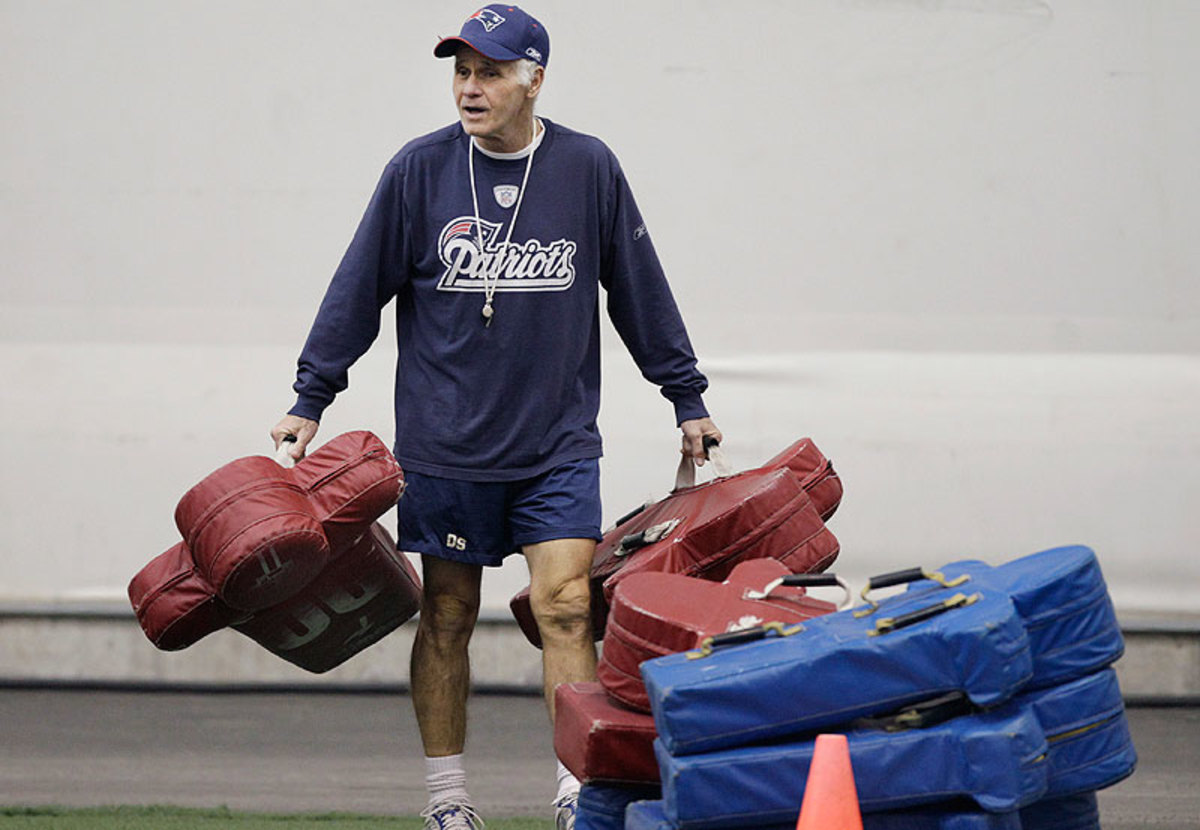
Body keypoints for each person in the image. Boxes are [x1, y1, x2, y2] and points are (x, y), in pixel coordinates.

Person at [270, 6, 721, 829]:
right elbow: (356, 289)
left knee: (566, 607)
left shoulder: (587, 167)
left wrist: (685, 397)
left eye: (490, 72)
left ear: (534, 79)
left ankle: (578, 796)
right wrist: (311, 396)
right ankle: (448, 801)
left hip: (556, 443)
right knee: (447, 615)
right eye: (461, 72)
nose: (470, 89)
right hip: (446, 443)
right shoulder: (419, 171)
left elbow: (639, 288)